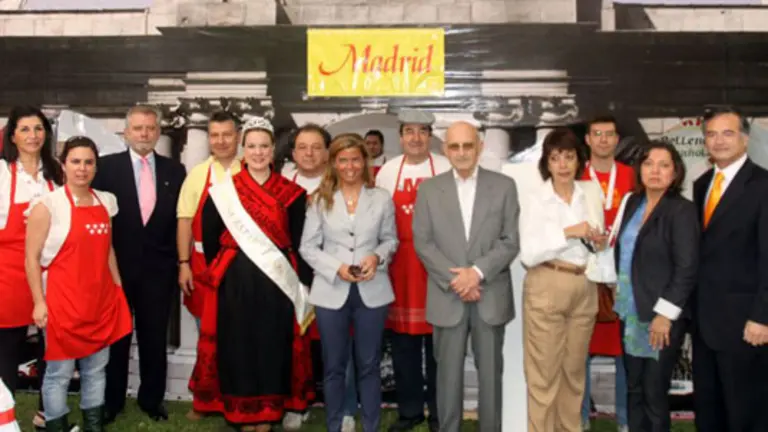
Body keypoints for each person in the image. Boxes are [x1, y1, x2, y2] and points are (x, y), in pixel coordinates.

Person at [188, 116, 315, 432]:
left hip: (278, 282)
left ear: (274, 150)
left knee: (274, 343)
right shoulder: (222, 193)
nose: (258, 152)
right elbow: (210, 237)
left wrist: (304, 284)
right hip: (236, 281)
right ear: (243, 150)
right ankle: (243, 412)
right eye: (252, 146)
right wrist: (234, 267)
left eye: (264, 146)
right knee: (239, 345)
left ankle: (270, 413)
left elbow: (300, 243)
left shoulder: (293, 194)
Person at [413, 121, 520, 432]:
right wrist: (458, 281)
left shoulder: (504, 186)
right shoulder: (429, 189)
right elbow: (423, 242)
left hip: (490, 295)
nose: (461, 153)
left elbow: (510, 241)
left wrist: (476, 274)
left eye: (468, 146)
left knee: (490, 377)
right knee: (446, 378)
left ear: (480, 148)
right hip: (448, 296)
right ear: (445, 150)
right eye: (455, 146)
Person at [25, 137, 132, 432]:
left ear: (96, 167)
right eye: (75, 162)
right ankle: (57, 427)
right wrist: (38, 301)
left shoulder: (106, 202)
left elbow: (107, 250)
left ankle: (93, 427)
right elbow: (31, 258)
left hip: (100, 299)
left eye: (88, 162)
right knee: (58, 372)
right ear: (63, 165)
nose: (82, 169)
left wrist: (118, 289)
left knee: (96, 370)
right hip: (62, 300)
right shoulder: (46, 206)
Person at [93, 105, 186, 423]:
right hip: (116, 269)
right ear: (126, 132)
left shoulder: (176, 170)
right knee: (116, 337)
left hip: (159, 271)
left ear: (158, 132)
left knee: (154, 337)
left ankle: (152, 400)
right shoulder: (105, 169)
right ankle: (112, 401)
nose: (144, 134)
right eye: (138, 128)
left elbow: (178, 221)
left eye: (150, 128)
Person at [299, 133, 398, 432]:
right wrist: (337, 267)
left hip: (373, 290)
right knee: (333, 367)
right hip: (331, 292)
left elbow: (390, 239)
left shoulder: (381, 198)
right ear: (334, 163)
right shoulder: (320, 199)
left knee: (369, 366)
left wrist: (376, 258)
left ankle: (370, 426)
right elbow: (308, 247)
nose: (350, 166)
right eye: (343, 160)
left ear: (364, 161)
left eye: (355, 159)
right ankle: (334, 425)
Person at [519, 127, 605, 432]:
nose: (563, 164)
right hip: (547, 281)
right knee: (543, 374)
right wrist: (569, 232)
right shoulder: (536, 198)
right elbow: (528, 254)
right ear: (547, 163)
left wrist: (598, 240)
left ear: (579, 160)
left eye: (569, 157)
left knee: (574, 372)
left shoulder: (591, 192)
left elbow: (598, 242)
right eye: (556, 158)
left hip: (585, 284)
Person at [611, 140, 698, 432]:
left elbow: (686, 268)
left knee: (653, 394)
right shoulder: (633, 203)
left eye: (664, 165)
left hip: (661, 319)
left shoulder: (681, 211)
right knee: (634, 390)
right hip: (631, 313)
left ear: (675, 173)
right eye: (649, 164)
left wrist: (665, 315)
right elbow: (624, 252)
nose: (655, 171)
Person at [375, 110, 451, 432]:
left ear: (431, 135)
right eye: (409, 131)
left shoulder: (446, 167)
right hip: (401, 268)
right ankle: (409, 412)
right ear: (400, 136)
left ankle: (438, 412)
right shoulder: (387, 173)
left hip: (437, 266)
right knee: (404, 345)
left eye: (422, 131)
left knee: (439, 349)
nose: (416, 138)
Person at [693, 106, 768, 432]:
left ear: (745, 138)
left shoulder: (763, 185)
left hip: (746, 324)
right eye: (711, 134)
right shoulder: (701, 184)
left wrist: (763, 316)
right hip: (705, 322)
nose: (719, 141)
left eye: (727, 133)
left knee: (745, 412)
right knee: (710, 411)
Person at [0, 107, 61, 397]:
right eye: (24, 129)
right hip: (9, 273)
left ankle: (46, 415)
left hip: (52, 271)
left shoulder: (57, 174)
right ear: (12, 136)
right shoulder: (1, 174)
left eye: (38, 129)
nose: (32, 136)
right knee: (6, 349)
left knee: (52, 348)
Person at [580, 115, 633, 431]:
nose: (602, 139)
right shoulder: (574, 175)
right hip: (584, 273)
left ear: (617, 140)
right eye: (597, 134)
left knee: (624, 355)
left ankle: (625, 421)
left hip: (622, 277)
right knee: (579, 352)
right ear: (587, 139)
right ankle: (581, 418)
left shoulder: (631, 175)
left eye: (609, 134)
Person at [279, 123, 333, 430]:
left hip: (331, 272)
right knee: (295, 343)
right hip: (290, 274)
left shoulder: (340, 182)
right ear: (293, 152)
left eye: (316, 147)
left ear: (327, 152)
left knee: (332, 342)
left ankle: (341, 404)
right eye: (302, 147)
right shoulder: (281, 182)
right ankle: (296, 404)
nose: (309, 153)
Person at [177, 110, 241, 331]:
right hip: (203, 266)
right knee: (206, 334)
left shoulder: (250, 170)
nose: (221, 141)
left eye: (227, 134)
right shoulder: (197, 174)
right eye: (215, 135)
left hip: (242, 267)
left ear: (238, 136)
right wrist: (184, 264)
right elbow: (184, 221)